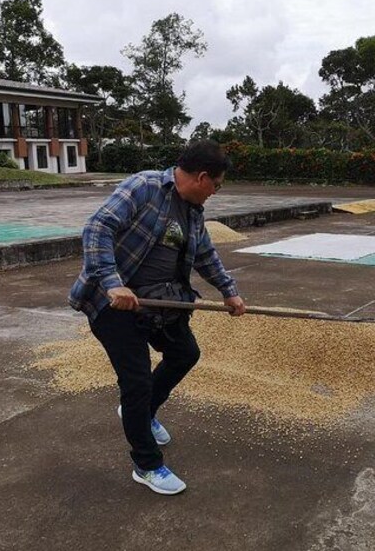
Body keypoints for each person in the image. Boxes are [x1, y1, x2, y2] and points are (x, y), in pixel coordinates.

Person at [69, 140, 246, 495]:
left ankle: (142, 413)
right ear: (202, 177)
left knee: (185, 354)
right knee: (136, 383)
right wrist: (113, 284)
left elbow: (205, 254)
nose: (216, 192)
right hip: (114, 306)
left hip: (162, 305)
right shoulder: (145, 187)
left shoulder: (193, 211)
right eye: (217, 185)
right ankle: (146, 465)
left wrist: (228, 290)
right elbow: (97, 228)